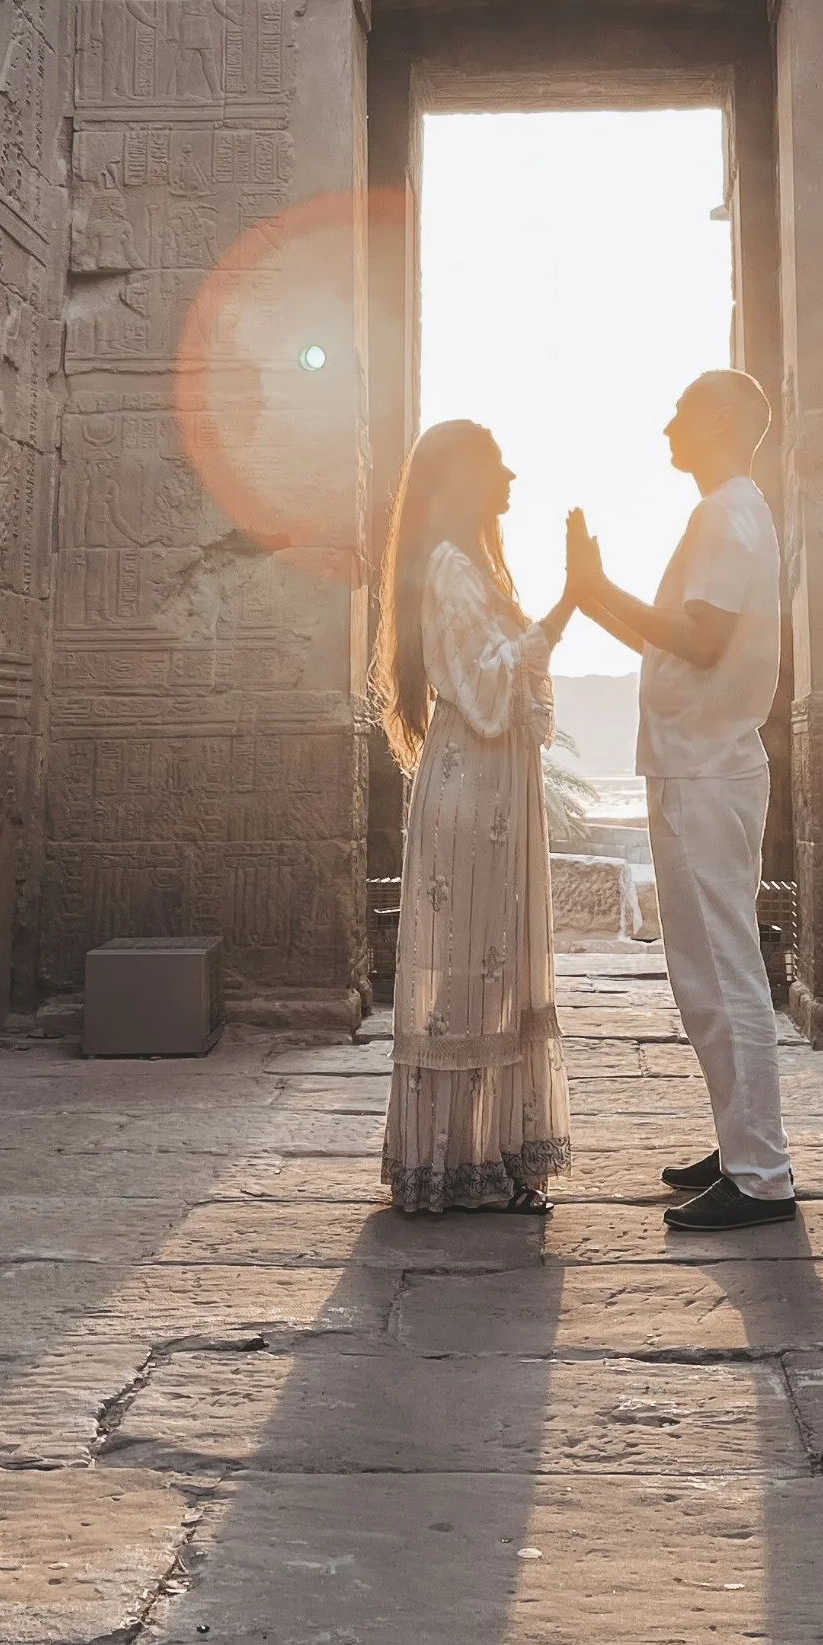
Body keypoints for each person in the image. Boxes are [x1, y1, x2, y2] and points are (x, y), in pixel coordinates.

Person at [568, 370, 795, 1231]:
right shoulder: (728, 513)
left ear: (728, 422)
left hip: (707, 768)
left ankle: (762, 1174)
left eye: (684, 414)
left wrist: (600, 587)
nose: (668, 426)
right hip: (692, 764)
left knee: (727, 972)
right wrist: (593, 595)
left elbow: (696, 643)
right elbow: (673, 637)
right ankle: (740, 1145)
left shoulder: (727, 511)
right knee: (701, 973)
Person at [374, 420, 579, 1215]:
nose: (511, 477)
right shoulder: (453, 568)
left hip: (489, 793)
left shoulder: (470, 566)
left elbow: (500, 676)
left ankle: (483, 1157)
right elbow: (488, 685)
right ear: (461, 479)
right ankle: (456, 1164)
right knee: (468, 981)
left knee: (488, 978)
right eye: (496, 464)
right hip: (472, 793)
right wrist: (568, 603)